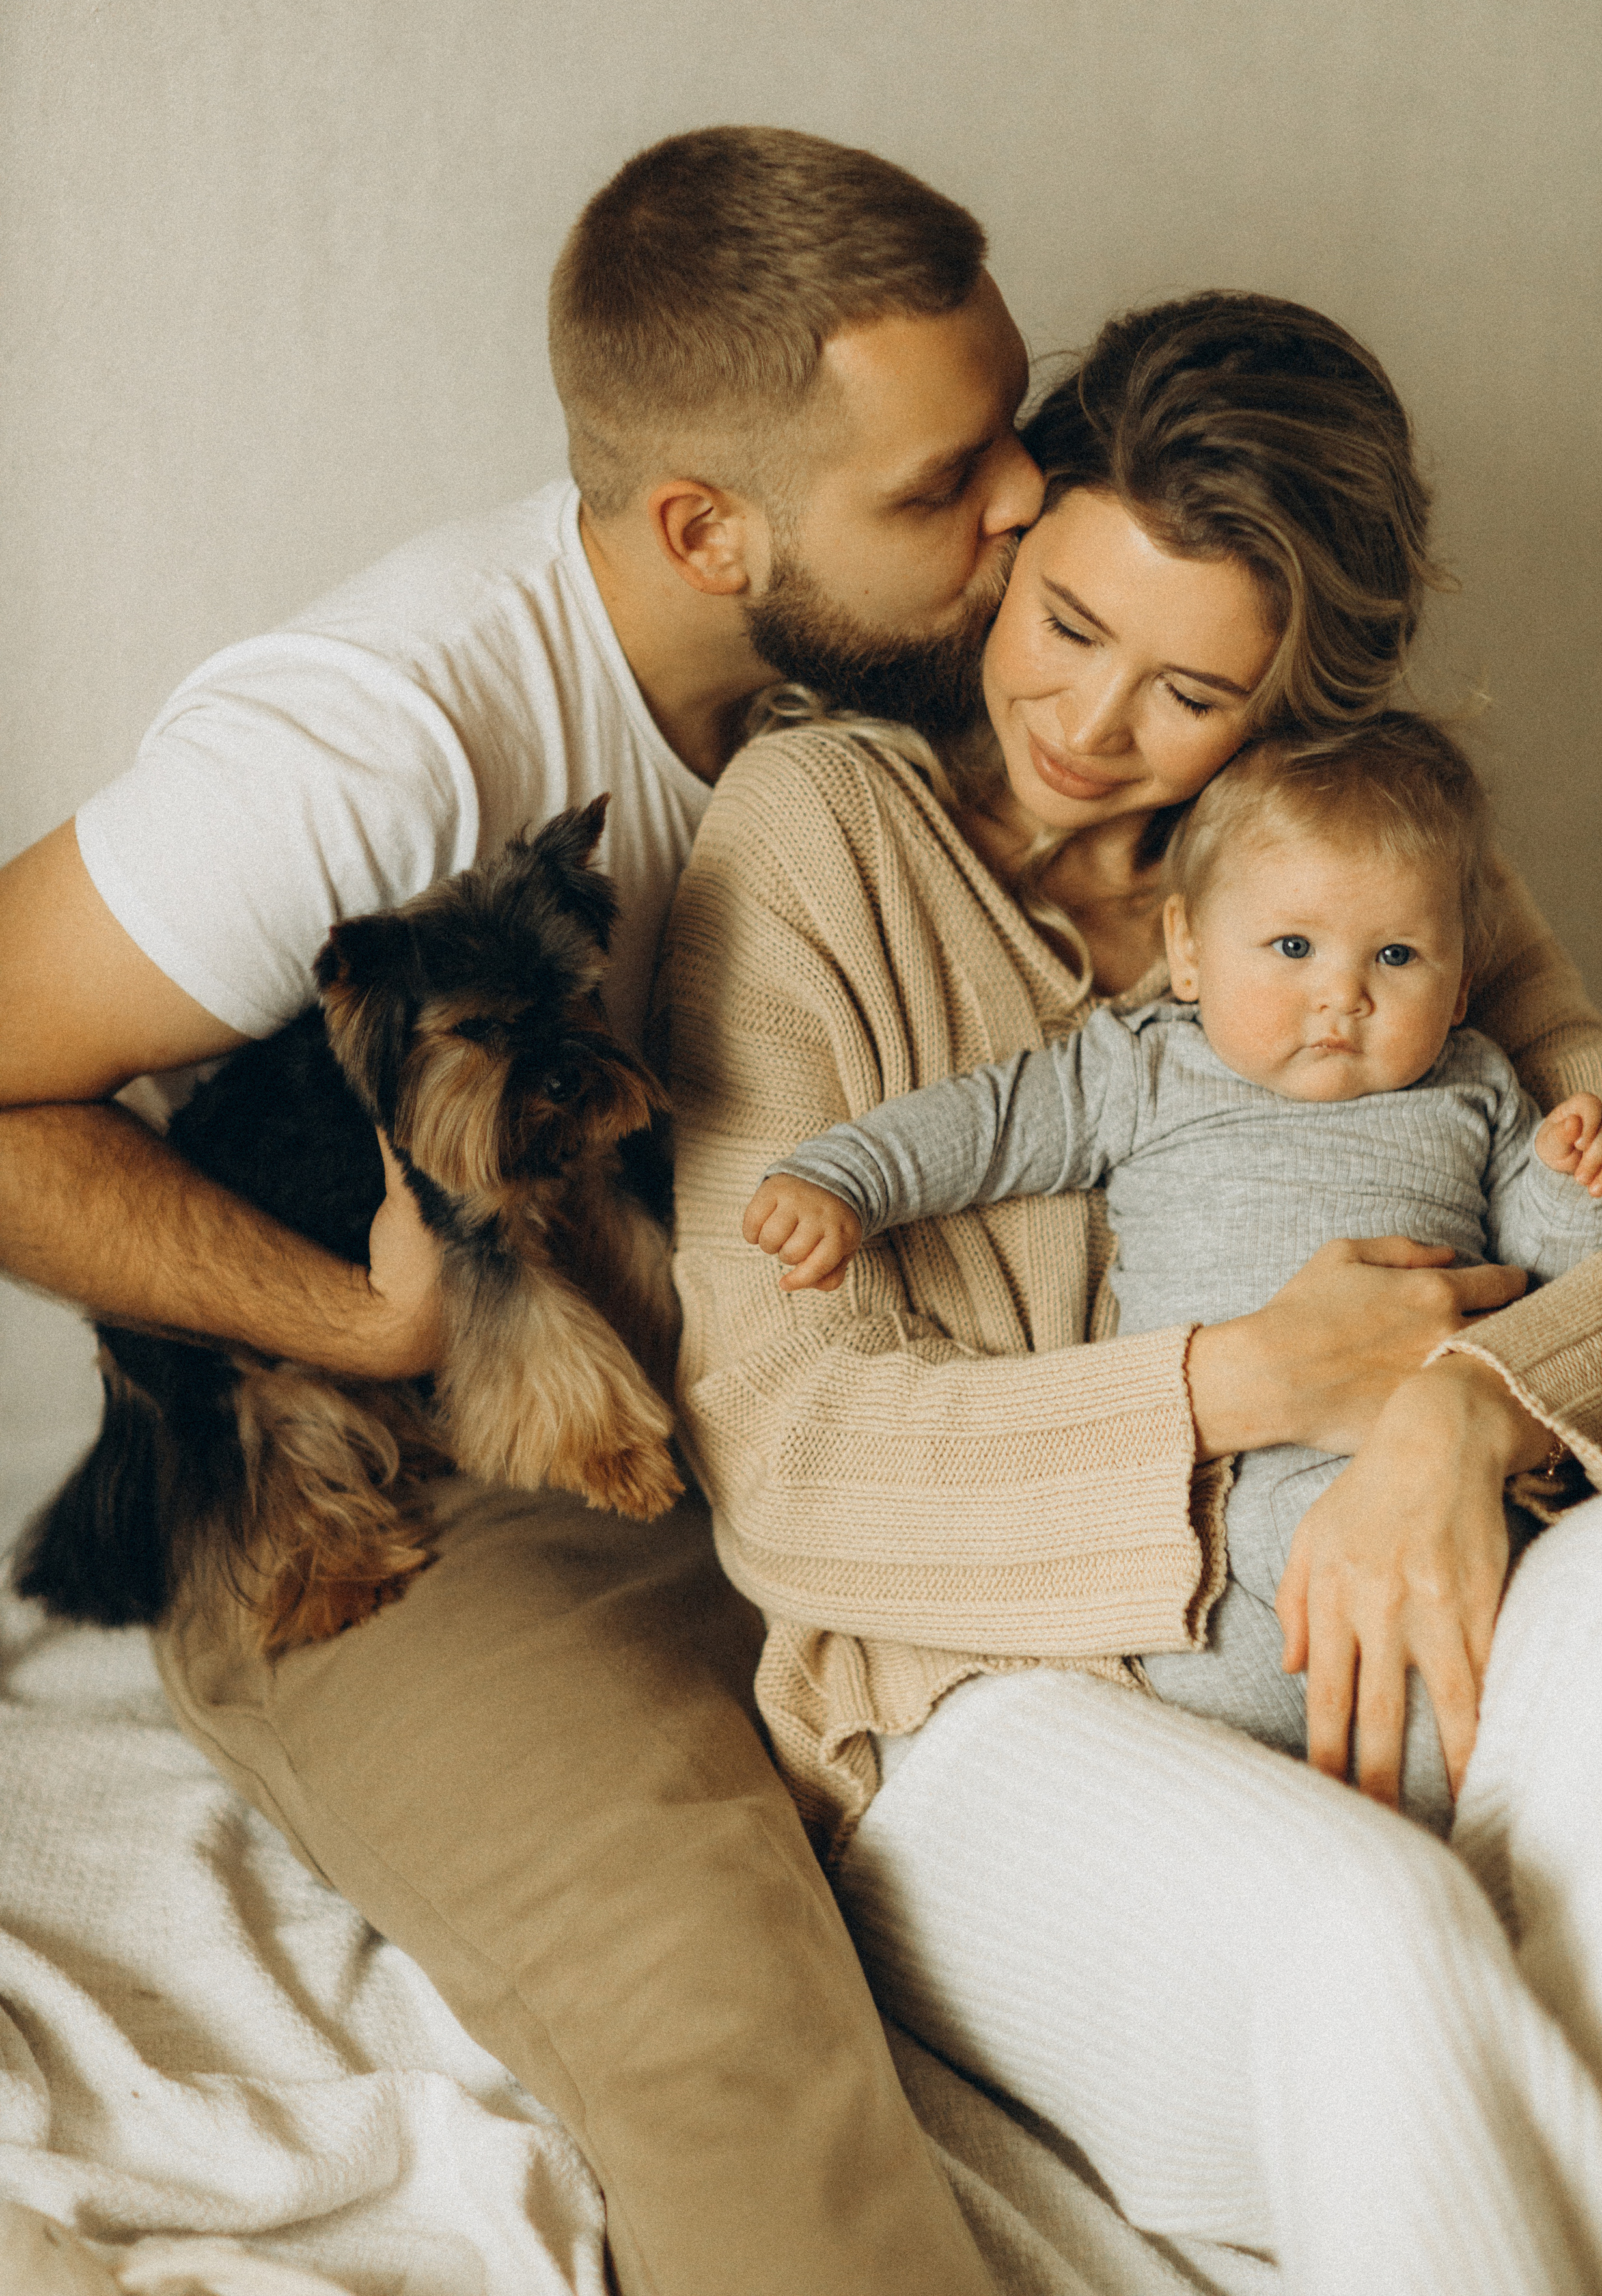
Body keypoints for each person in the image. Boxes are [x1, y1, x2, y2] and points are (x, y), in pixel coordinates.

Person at [0, 125, 1050, 2296]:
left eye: (1010, 436)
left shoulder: (895, 677)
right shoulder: (371, 744)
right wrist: (368, 1322)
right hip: (382, 1484)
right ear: (702, 523)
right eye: (947, 483)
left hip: (764, 1408)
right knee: (718, 1994)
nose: (1022, 501)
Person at [659, 290, 1602, 2292]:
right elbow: (789, 1454)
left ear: (1289, 708)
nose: (1091, 725)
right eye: (1067, 624)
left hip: (1432, 1568)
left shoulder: (1363, 856)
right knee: (1366, 1929)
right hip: (989, 1712)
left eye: (1192, 695)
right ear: (1010, 543)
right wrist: (1247, 1379)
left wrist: (1456, 1409)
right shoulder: (814, 840)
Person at [739, 717, 1602, 1832]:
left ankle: (1475, 1839)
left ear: (1462, 984)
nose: (1344, 996)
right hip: (1210, 1506)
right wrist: (844, 1181)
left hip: (1428, 1495)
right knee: (1248, 1699)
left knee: (1511, 1689)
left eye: (1398, 958)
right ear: (1188, 951)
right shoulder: (1148, 1064)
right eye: (1291, 949)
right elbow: (984, 1125)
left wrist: (1580, 1186)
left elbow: (1545, 1285)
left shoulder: (1476, 1085)